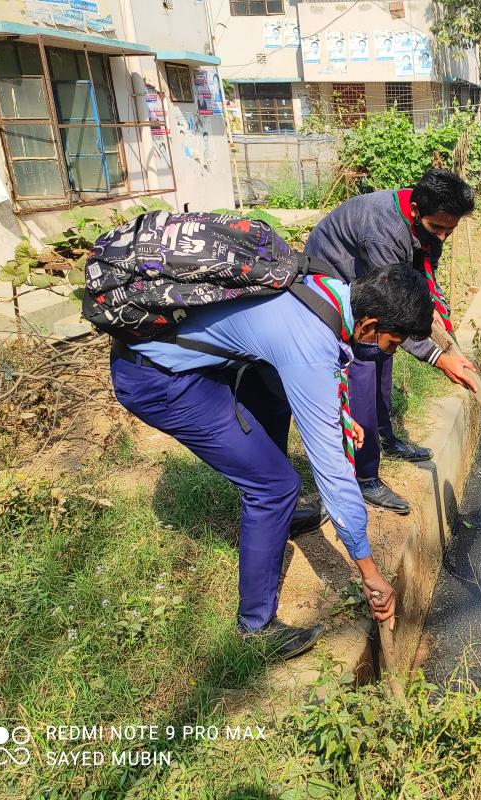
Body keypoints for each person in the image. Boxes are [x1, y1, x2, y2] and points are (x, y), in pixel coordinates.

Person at [110, 264, 433, 660]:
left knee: (276, 404)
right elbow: (332, 471)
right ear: (369, 324)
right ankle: (255, 627)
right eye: (391, 343)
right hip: (160, 379)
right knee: (275, 486)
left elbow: (312, 375)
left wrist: (341, 419)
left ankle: (277, 519)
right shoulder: (310, 342)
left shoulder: (326, 290)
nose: (387, 351)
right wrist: (369, 571)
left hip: (190, 356)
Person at [305, 168, 479, 515]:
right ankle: (365, 475)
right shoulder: (382, 230)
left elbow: (423, 277)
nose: (443, 237)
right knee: (367, 359)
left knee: (386, 355)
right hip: (337, 280)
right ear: (415, 211)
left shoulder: (428, 221)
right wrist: (437, 357)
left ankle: (387, 436)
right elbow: (396, 308)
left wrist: (442, 325)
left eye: (450, 230)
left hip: (371, 281)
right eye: (437, 229)